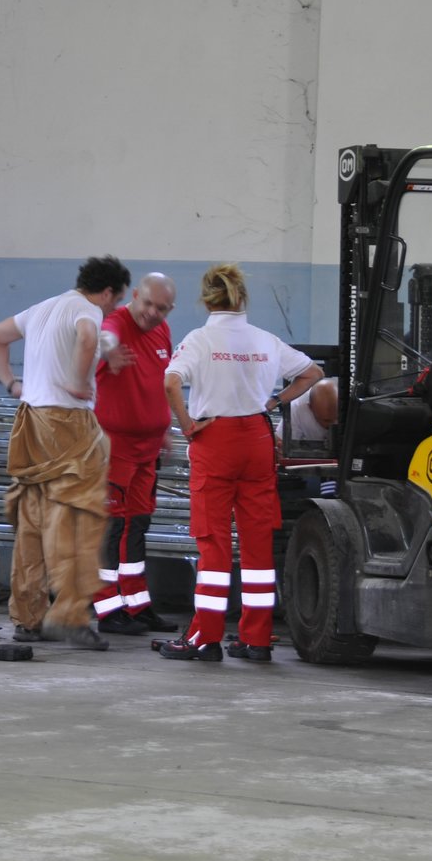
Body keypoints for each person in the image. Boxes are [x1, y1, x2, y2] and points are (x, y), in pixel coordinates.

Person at [160, 263, 322, 662]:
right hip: (257, 438)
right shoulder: (265, 339)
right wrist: (275, 401)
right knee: (256, 541)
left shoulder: (199, 340)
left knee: (213, 541)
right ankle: (257, 639)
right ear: (242, 298)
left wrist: (186, 423)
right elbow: (313, 373)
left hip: (215, 439)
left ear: (206, 299)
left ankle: (206, 637)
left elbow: (169, 381)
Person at [0, 255, 132, 651]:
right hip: (69, 425)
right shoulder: (88, 310)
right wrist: (77, 380)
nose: (114, 308)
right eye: (116, 301)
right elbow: (86, 337)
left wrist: (12, 383)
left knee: (32, 522)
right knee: (78, 520)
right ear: (106, 293)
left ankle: (27, 618)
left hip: (30, 420)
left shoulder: (43, 308)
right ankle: (69, 616)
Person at [91, 272, 180, 636]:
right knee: (110, 528)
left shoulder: (162, 331)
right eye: (147, 304)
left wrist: (164, 429)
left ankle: (136, 603)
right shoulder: (115, 323)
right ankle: (106, 607)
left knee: (137, 525)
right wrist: (108, 349)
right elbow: (102, 335)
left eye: (162, 308)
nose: (153, 313)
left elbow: (161, 379)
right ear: (136, 297)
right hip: (115, 450)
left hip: (147, 450)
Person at [283, 376, 338, 443]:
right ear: (311, 408)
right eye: (327, 420)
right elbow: (281, 443)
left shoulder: (352, 403)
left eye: (337, 418)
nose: (334, 423)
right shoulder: (297, 407)